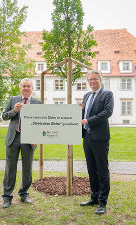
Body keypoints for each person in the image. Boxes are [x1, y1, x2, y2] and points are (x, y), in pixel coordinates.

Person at [2, 78, 42, 208]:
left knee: (27, 168)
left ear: (32, 88)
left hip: (29, 139)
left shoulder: (37, 103)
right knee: (10, 168)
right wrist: (13, 111)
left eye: (28, 86)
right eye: (23, 86)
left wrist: (36, 137)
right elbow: (4, 116)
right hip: (13, 138)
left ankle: (24, 193)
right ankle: (7, 197)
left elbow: (40, 122)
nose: (26, 88)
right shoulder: (13, 100)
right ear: (20, 88)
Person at [80, 70, 114, 215]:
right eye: (90, 80)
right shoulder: (86, 95)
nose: (92, 82)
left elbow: (107, 112)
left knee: (102, 170)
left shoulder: (107, 94)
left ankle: (102, 202)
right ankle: (94, 197)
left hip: (100, 138)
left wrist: (89, 120)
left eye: (95, 79)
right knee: (91, 169)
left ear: (100, 80)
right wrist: (79, 111)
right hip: (87, 137)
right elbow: (84, 115)